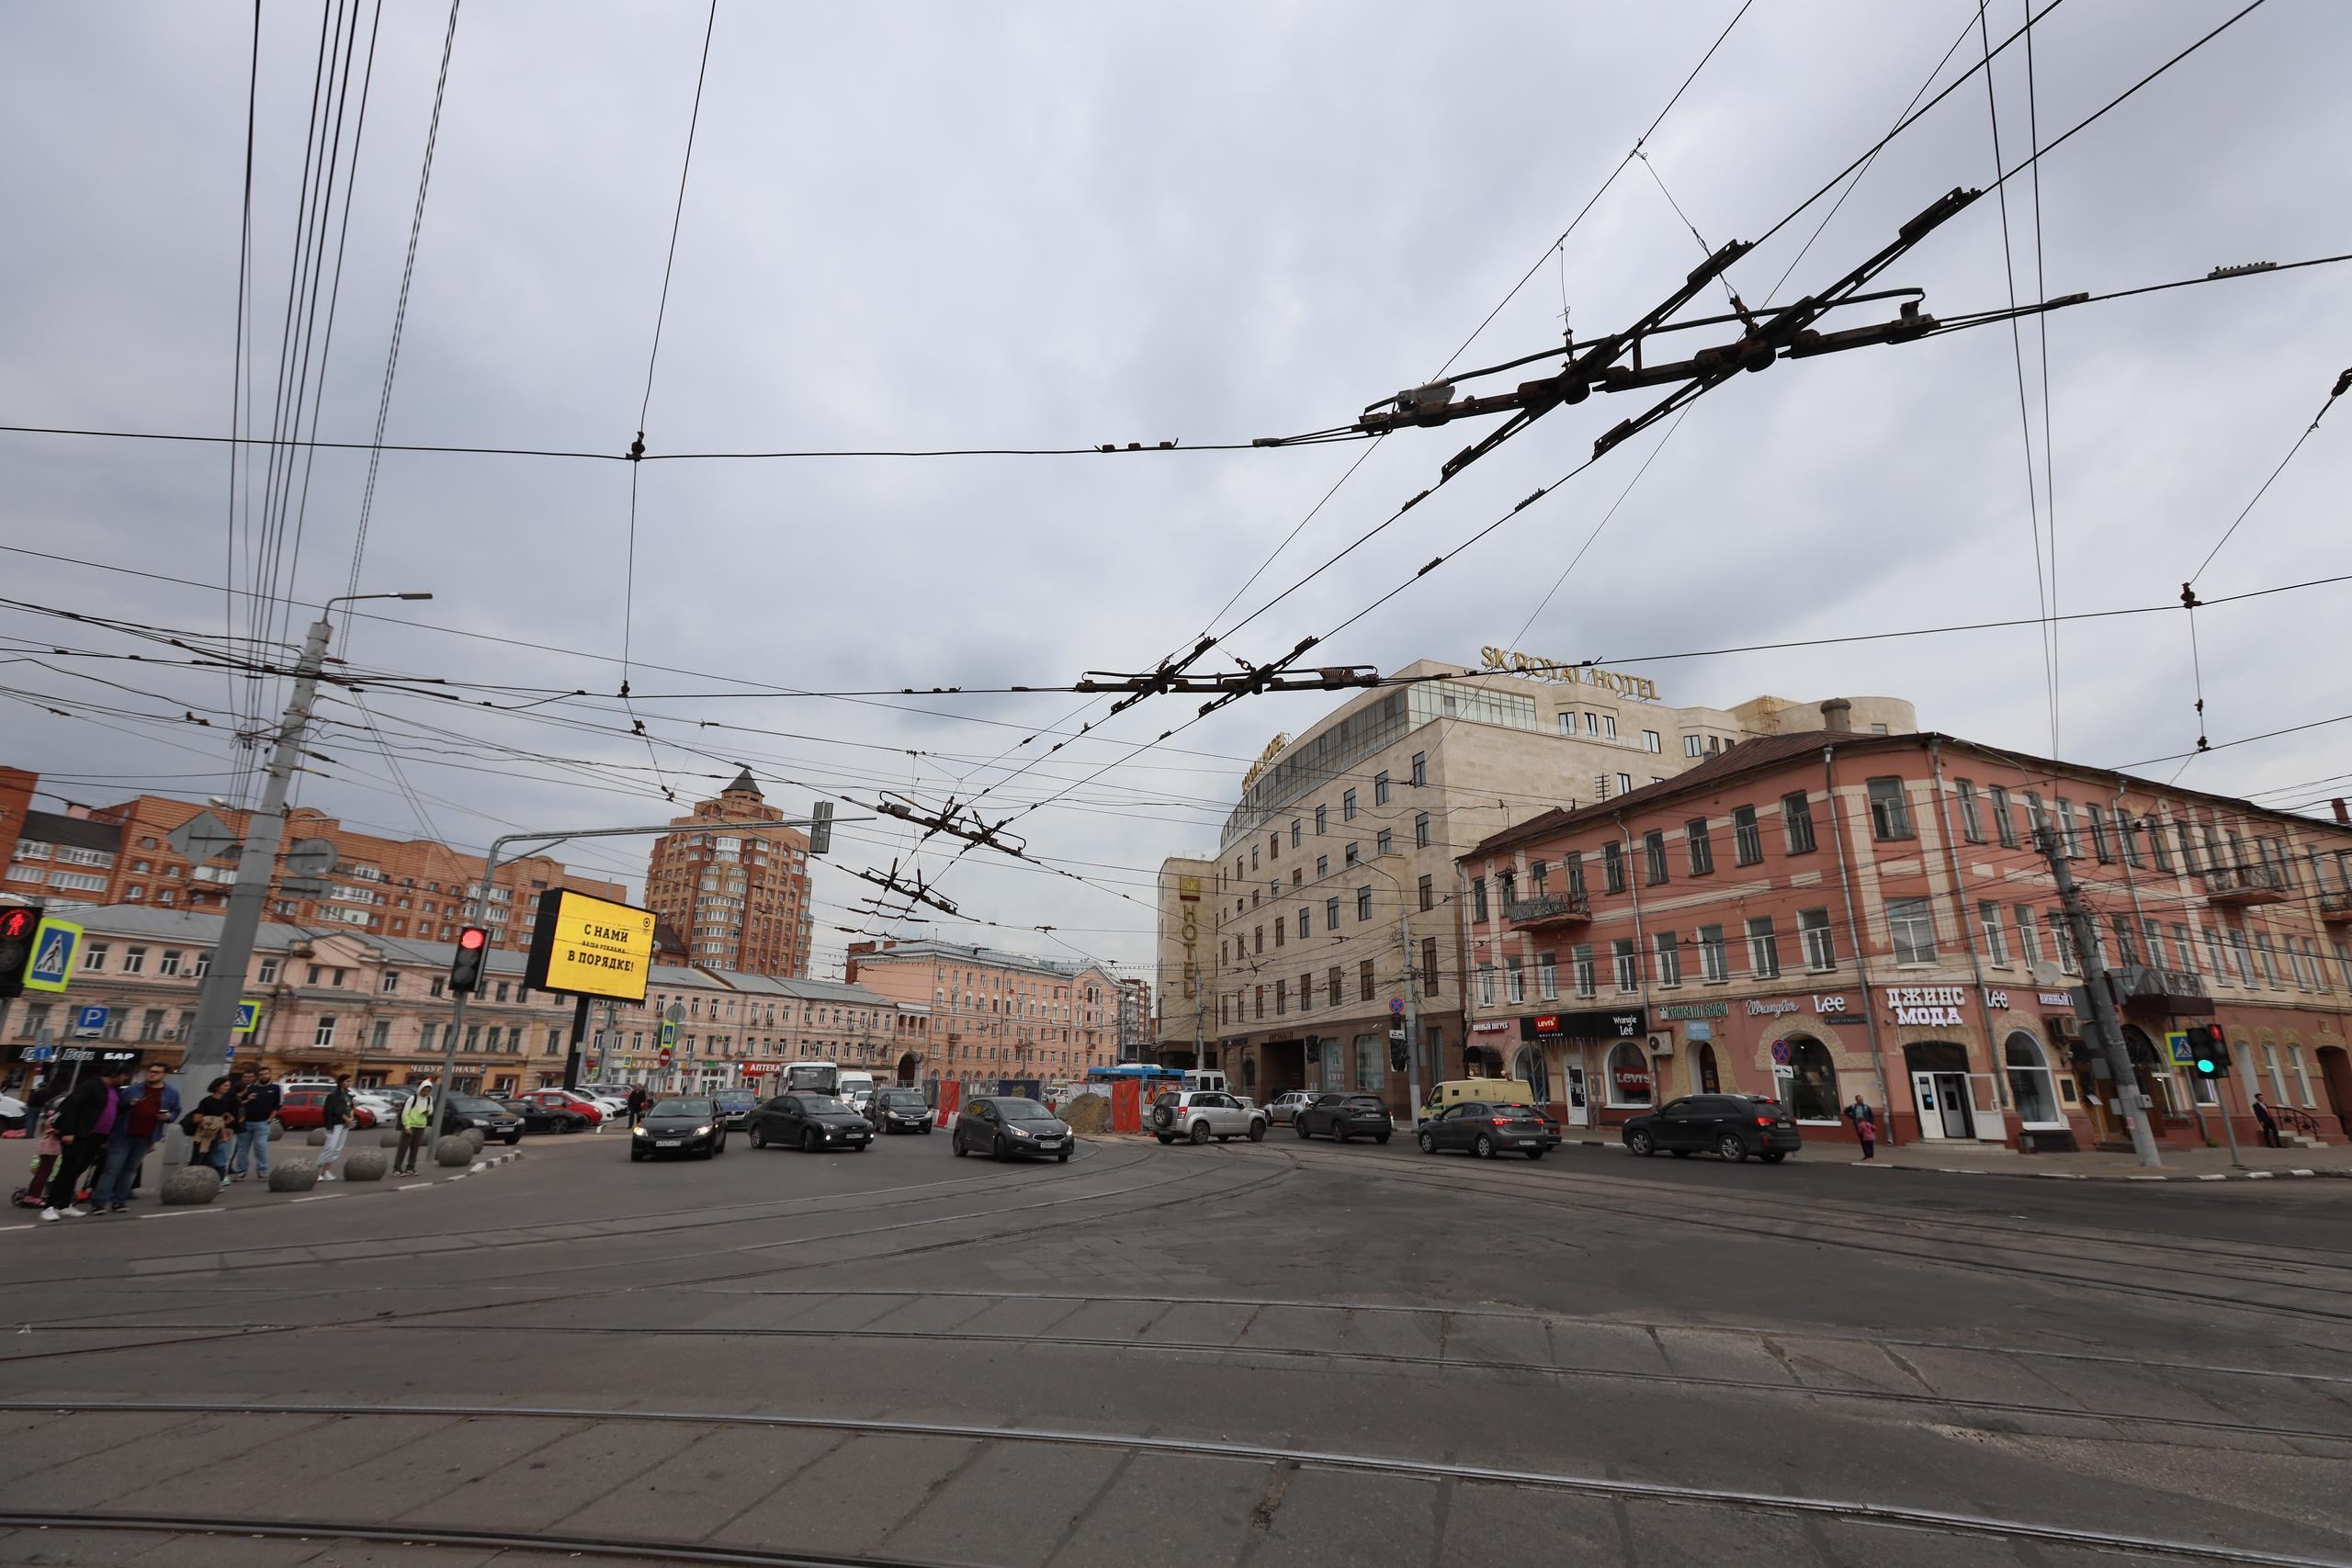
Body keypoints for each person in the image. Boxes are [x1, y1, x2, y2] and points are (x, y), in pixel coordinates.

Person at [41, 1064, 132, 1221]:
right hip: (80, 1134)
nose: (126, 1079)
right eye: (125, 1075)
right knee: (67, 1170)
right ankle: (49, 1206)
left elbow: (112, 1109)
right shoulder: (91, 1085)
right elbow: (71, 1107)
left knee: (77, 1170)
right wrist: (68, 1131)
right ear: (115, 1073)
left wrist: (129, 1105)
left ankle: (64, 1205)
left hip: (98, 1136)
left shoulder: (114, 1090)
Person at [92, 1062, 180, 1213]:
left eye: (156, 1072)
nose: (151, 1074)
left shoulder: (171, 1092)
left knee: (131, 1169)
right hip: (123, 1134)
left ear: (165, 1075)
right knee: (112, 1168)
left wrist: (168, 1116)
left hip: (147, 1136)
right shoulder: (132, 1089)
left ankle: (120, 1201)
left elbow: (176, 1111)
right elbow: (116, 1109)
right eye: (151, 1071)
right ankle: (99, 1203)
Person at [230, 1067, 280, 1182]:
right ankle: (241, 1172)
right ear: (258, 1076)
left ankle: (262, 1172)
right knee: (242, 1149)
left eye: (266, 1074)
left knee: (261, 1147)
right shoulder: (250, 1088)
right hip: (245, 1123)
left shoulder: (275, 1088)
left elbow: (277, 1105)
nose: (264, 1076)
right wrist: (248, 1099)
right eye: (261, 1074)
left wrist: (270, 1119)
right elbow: (238, 1103)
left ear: (270, 1074)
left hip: (263, 1123)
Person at [185, 1077, 237, 1172]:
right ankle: (190, 1176)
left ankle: (203, 1177)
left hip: (214, 1134)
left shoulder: (225, 1101)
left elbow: (221, 1120)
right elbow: (197, 1118)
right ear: (217, 1087)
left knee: (208, 1159)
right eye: (225, 1085)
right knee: (198, 1158)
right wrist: (209, 1121)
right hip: (203, 1134)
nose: (228, 1087)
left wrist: (224, 1135)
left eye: (229, 1085)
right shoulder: (206, 1101)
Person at [317, 1073, 356, 1180]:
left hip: (345, 1125)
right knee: (330, 1147)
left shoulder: (348, 1095)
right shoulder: (333, 1095)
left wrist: (351, 1118)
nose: (349, 1083)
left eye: (350, 1081)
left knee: (337, 1149)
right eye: (347, 1081)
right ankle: (316, 1171)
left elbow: (351, 1107)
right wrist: (347, 1119)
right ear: (341, 1082)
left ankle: (326, 1171)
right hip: (335, 1124)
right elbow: (335, 1111)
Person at [393, 1081, 434, 1176]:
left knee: (415, 1148)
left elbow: (431, 1110)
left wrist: (427, 1112)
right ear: (420, 1089)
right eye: (424, 1090)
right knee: (403, 1148)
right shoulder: (412, 1099)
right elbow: (405, 1113)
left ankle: (410, 1167)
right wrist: (407, 1127)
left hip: (421, 1126)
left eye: (428, 1091)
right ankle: (397, 1168)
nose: (426, 1093)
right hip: (410, 1125)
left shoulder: (429, 1099)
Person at [1845, 1095, 1878, 1162]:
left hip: (1867, 1127)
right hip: (1858, 1126)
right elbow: (1846, 1112)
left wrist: (1870, 1124)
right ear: (1856, 1100)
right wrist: (1852, 1117)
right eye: (1859, 1099)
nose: (1861, 1100)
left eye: (1862, 1099)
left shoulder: (1866, 1107)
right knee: (1863, 1141)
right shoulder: (1853, 1107)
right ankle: (1866, 1155)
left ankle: (1871, 1156)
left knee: (1869, 1141)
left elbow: (1871, 1116)